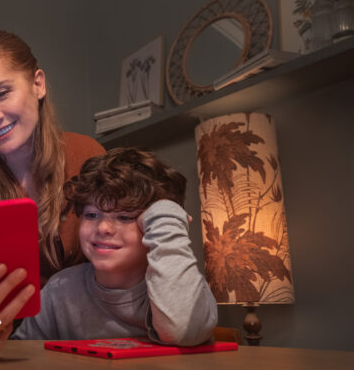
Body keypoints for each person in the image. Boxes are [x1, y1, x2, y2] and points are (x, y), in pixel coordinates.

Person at [0, 28, 106, 353]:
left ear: (38, 84)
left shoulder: (88, 155)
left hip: (98, 339)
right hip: (14, 351)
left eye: (2, 93)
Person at [12, 147, 218, 345]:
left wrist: (166, 215)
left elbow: (182, 331)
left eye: (124, 217)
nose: (103, 227)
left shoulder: (185, 285)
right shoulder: (60, 289)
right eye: (92, 215)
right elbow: (22, 354)